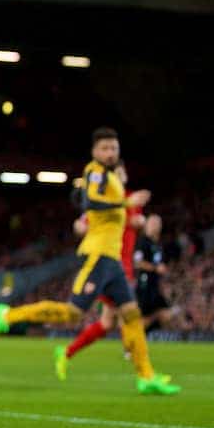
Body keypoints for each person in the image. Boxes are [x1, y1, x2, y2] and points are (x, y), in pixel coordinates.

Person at [0, 127, 180, 396]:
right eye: (105, 148)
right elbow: (92, 203)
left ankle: (146, 376)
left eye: (114, 148)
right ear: (95, 152)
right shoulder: (96, 172)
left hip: (113, 263)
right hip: (99, 257)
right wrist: (125, 203)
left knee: (132, 315)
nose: (110, 153)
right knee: (73, 312)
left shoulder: (111, 180)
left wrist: (128, 208)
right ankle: (7, 314)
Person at [52, 162, 143, 379]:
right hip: (107, 264)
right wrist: (81, 226)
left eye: (123, 172)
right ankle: (140, 367)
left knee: (108, 322)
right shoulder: (105, 201)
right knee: (126, 314)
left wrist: (137, 220)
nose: (122, 175)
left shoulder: (130, 199)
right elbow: (83, 223)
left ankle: (66, 352)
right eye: (118, 172)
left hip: (123, 264)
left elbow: (137, 221)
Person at [134, 214, 177, 331]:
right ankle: (135, 337)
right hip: (145, 284)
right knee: (147, 317)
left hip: (155, 285)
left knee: (166, 314)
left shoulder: (157, 244)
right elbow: (137, 262)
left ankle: (142, 332)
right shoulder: (142, 242)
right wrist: (155, 268)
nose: (155, 226)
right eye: (153, 223)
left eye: (158, 224)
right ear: (147, 225)